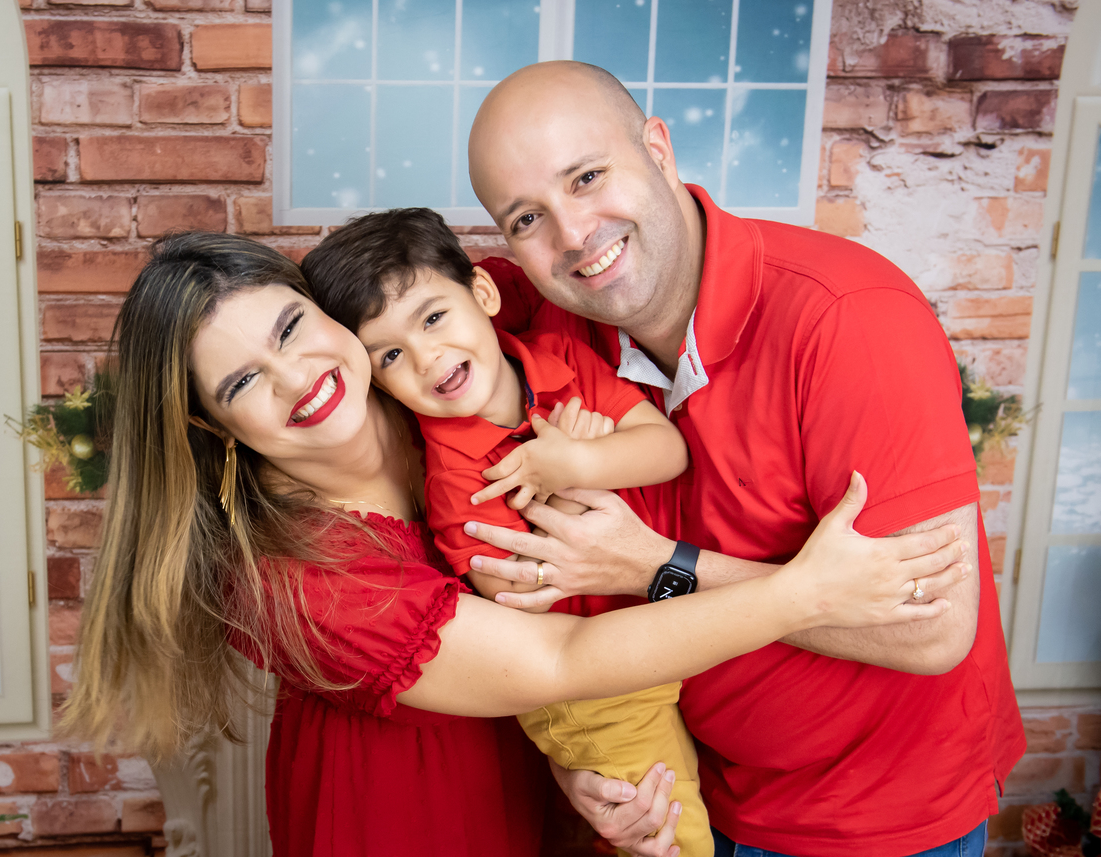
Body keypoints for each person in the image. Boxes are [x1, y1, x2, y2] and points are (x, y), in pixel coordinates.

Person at [58, 232, 969, 857]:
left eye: (292, 329)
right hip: (398, 822)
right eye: (243, 382)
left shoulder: (428, 386)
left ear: (324, 307)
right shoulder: (294, 573)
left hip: (526, 772)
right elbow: (556, 658)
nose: (300, 377)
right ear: (209, 426)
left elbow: (544, 260)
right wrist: (803, 591)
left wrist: (574, 762)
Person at [463, 61, 1026, 857]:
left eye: (587, 177)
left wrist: (654, 564)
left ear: (659, 150)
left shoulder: (849, 320)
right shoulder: (547, 338)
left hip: (877, 817)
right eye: (527, 218)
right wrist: (583, 761)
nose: (575, 233)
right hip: (701, 789)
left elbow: (933, 628)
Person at [300, 206, 712, 857]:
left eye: (433, 317)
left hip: (661, 640)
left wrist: (579, 463)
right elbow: (517, 596)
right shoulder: (454, 475)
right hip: (596, 693)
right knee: (674, 839)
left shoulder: (562, 358)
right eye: (392, 355)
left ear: (484, 295)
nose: (428, 357)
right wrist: (573, 483)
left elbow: (668, 450)